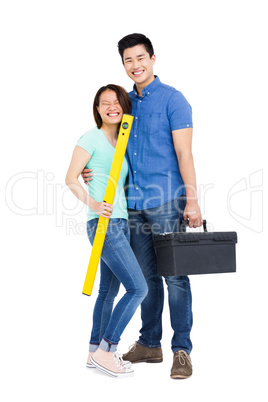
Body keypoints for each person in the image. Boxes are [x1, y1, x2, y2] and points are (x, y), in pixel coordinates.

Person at [82, 34, 202, 379]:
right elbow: (107, 144)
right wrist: (90, 169)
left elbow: (184, 153)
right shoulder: (123, 103)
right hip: (131, 206)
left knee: (175, 277)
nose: (135, 66)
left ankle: (182, 350)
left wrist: (191, 200)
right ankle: (150, 342)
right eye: (128, 61)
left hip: (167, 201)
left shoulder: (173, 100)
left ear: (152, 58)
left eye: (140, 58)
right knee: (146, 278)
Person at [65, 84, 148, 378]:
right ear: (97, 109)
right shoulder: (91, 137)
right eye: (105, 103)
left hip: (121, 223)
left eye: (117, 101)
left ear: (124, 106)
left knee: (107, 291)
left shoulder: (121, 143)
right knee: (139, 288)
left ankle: (92, 353)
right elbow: (71, 178)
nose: (111, 106)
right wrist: (94, 204)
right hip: (105, 224)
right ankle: (107, 349)